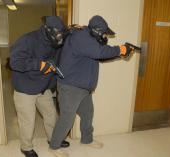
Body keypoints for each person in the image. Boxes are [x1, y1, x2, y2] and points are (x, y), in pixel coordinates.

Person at [49, 15, 133, 157]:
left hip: (83, 87)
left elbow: (100, 55)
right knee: (67, 118)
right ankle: (54, 146)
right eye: (104, 33)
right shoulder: (81, 38)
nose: (105, 36)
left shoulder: (89, 38)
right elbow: (99, 52)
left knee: (87, 114)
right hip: (70, 87)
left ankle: (87, 140)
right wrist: (120, 49)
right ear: (97, 31)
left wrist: (120, 54)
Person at [10, 16, 70, 157]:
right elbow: (15, 62)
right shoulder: (27, 40)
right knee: (28, 121)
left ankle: (53, 140)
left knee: (51, 115)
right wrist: (40, 65)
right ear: (47, 30)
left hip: (43, 87)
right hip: (25, 89)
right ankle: (26, 147)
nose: (60, 39)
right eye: (58, 35)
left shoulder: (57, 39)